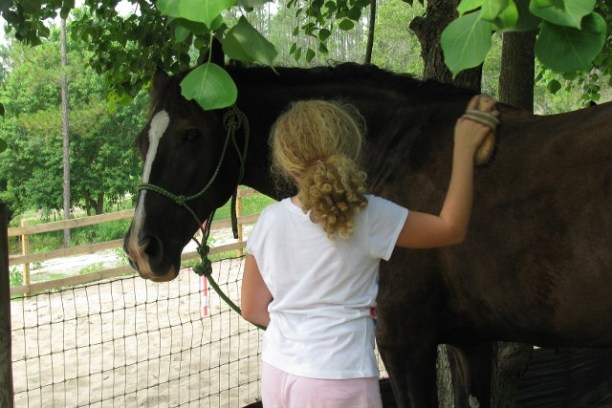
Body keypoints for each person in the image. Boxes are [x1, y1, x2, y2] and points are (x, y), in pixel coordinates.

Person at [241, 95, 498, 408]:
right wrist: (463, 149)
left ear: (286, 160)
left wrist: (304, 330)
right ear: (350, 149)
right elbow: (451, 228)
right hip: (338, 379)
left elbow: (252, 308)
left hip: (278, 372)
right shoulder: (367, 215)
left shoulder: (269, 220)